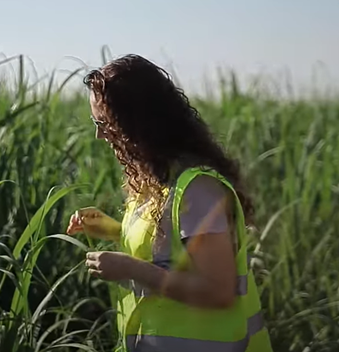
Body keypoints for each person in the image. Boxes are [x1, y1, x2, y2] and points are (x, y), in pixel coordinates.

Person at [66, 54, 273, 352]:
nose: (100, 135)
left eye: (106, 125)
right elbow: (172, 247)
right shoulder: (154, 178)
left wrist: (130, 269)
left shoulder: (197, 190)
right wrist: (114, 231)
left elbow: (219, 292)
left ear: (137, 123)